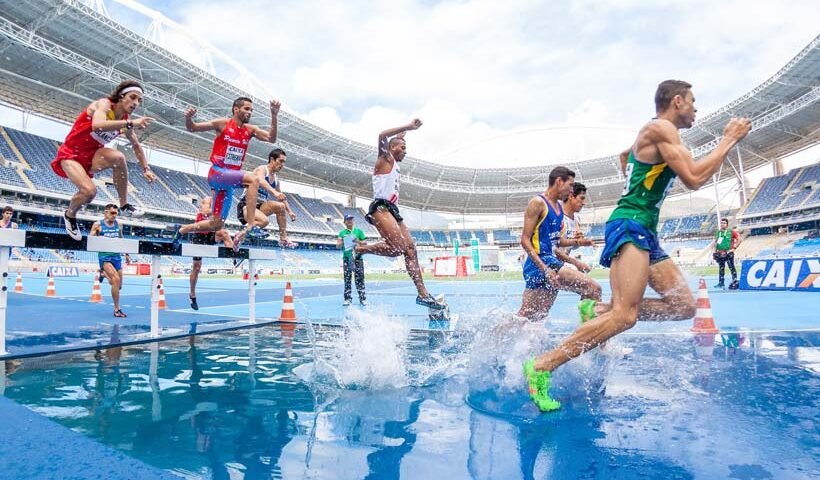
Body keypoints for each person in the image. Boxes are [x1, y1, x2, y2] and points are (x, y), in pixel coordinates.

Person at [523, 80, 751, 411]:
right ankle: (542, 366)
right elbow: (693, 178)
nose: (696, 109)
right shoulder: (661, 128)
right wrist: (728, 139)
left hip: (644, 229)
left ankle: (597, 311)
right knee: (625, 316)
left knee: (683, 306)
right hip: (631, 225)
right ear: (676, 101)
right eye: (692, 102)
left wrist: (637, 182)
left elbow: (625, 156)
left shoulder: (657, 134)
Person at [355, 119, 445, 310]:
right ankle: (361, 249)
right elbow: (382, 135)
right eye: (402, 148)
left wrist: (401, 136)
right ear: (392, 148)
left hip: (393, 210)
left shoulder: (394, 162)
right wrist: (408, 127)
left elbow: (393, 141)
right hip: (381, 207)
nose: (405, 151)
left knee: (410, 249)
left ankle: (423, 294)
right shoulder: (385, 158)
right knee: (397, 249)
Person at [172, 97, 281, 249]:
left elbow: (271, 138)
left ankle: (181, 230)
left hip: (229, 181)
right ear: (236, 109)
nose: (250, 112)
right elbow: (193, 128)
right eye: (246, 109)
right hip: (217, 173)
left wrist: (274, 115)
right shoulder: (222, 124)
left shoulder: (250, 130)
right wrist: (189, 119)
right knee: (254, 180)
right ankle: (251, 226)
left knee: (217, 224)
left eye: (251, 110)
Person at [52, 80, 155, 240]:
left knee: (119, 157)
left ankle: (124, 205)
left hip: (92, 156)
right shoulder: (104, 104)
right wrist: (130, 123)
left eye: (139, 100)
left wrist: (146, 168)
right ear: (121, 96)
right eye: (133, 97)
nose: (136, 103)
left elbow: (136, 145)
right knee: (89, 192)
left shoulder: (125, 120)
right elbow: (97, 125)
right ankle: (70, 215)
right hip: (71, 154)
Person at [518, 167, 600, 320]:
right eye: (570, 185)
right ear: (559, 181)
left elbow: (557, 241)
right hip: (541, 262)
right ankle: (589, 333)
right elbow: (524, 239)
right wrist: (545, 268)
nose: (571, 190)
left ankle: (495, 333)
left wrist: (579, 242)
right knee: (593, 289)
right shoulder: (538, 203)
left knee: (532, 316)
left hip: (549, 262)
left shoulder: (558, 208)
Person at [236, 148, 298, 247]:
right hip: (246, 206)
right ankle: (241, 234)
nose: (282, 165)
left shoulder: (276, 180)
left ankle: (283, 239)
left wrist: (290, 212)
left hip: (260, 207)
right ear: (272, 159)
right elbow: (261, 180)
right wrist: (274, 192)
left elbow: (281, 196)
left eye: (284, 162)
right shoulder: (262, 169)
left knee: (281, 206)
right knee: (264, 221)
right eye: (280, 161)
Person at [189, 196, 234, 310]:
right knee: (197, 267)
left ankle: (233, 255)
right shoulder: (208, 200)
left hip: (210, 234)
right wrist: (220, 210)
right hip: (199, 235)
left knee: (224, 233)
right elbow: (205, 211)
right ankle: (192, 294)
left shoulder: (222, 202)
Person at [89, 204, 130, 318]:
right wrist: (95, 236)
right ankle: (117, 309)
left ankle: (103, 274)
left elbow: (121, 239)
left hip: (116, 256)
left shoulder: (119, 224)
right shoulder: (98, 224)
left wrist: (126, 254)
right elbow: (90, 240)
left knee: (118, 286)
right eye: (112, 213)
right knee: (116, 280)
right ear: (106, 213)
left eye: (116, 213)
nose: (114, 215)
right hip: (105, 256)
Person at [337, 214, 367, 306]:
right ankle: (347, 299)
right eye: (348, 219)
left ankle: (362, 299)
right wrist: (344, 240)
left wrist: (357, 241)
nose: (349, 221)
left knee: (360, 279)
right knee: (347, 279)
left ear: (353, 221)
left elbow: (365, 243)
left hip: (358, 258)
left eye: (351, 219)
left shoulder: (359, 231)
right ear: (344, 222)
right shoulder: (342, 233)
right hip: (347, 258)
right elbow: (337, 246)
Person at [713, 218, 741, 289]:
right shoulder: (719, 232)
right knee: (721, 268)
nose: (722, 224)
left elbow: (739, 239)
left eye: (724, 223)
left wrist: (734, 248)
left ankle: (734, 281)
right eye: (721, 223)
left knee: (731, 267)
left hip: (728, 252)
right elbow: (716, 242)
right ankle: (721, 283)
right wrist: (715, 251)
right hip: (720, 253)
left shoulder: (731, 232)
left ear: (727, 224)